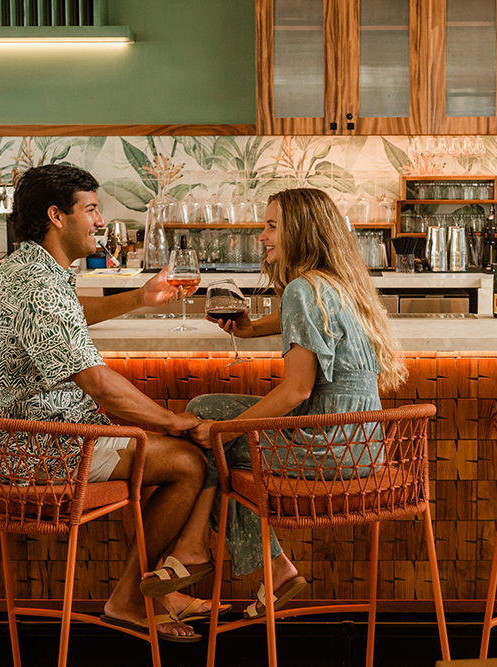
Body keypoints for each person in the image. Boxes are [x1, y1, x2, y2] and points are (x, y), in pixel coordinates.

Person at [0, 164, 216, 642]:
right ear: (56, 216)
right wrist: (172, 420)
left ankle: (158, 590)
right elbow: (99, 385)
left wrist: (140, 296)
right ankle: (129, 598)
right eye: (92, 209)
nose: (101, 221)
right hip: (34, 444)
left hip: (25, 432)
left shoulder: (31, 267)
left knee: (157, 452)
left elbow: (74, 315)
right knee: (187, 461)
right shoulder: (37, 284)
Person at [141, 187, 408, 619]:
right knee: (206, 405)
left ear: (299, 231)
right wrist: (248, 330)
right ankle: (267, 567)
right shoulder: (338, 285)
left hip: (326, 448)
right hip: (361, 443)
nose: (261, 236)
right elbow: (303, 322)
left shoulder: (304, 289)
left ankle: (201, 550)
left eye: (271, 226)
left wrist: (223, 430)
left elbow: (296, 391)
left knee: (210, 442)